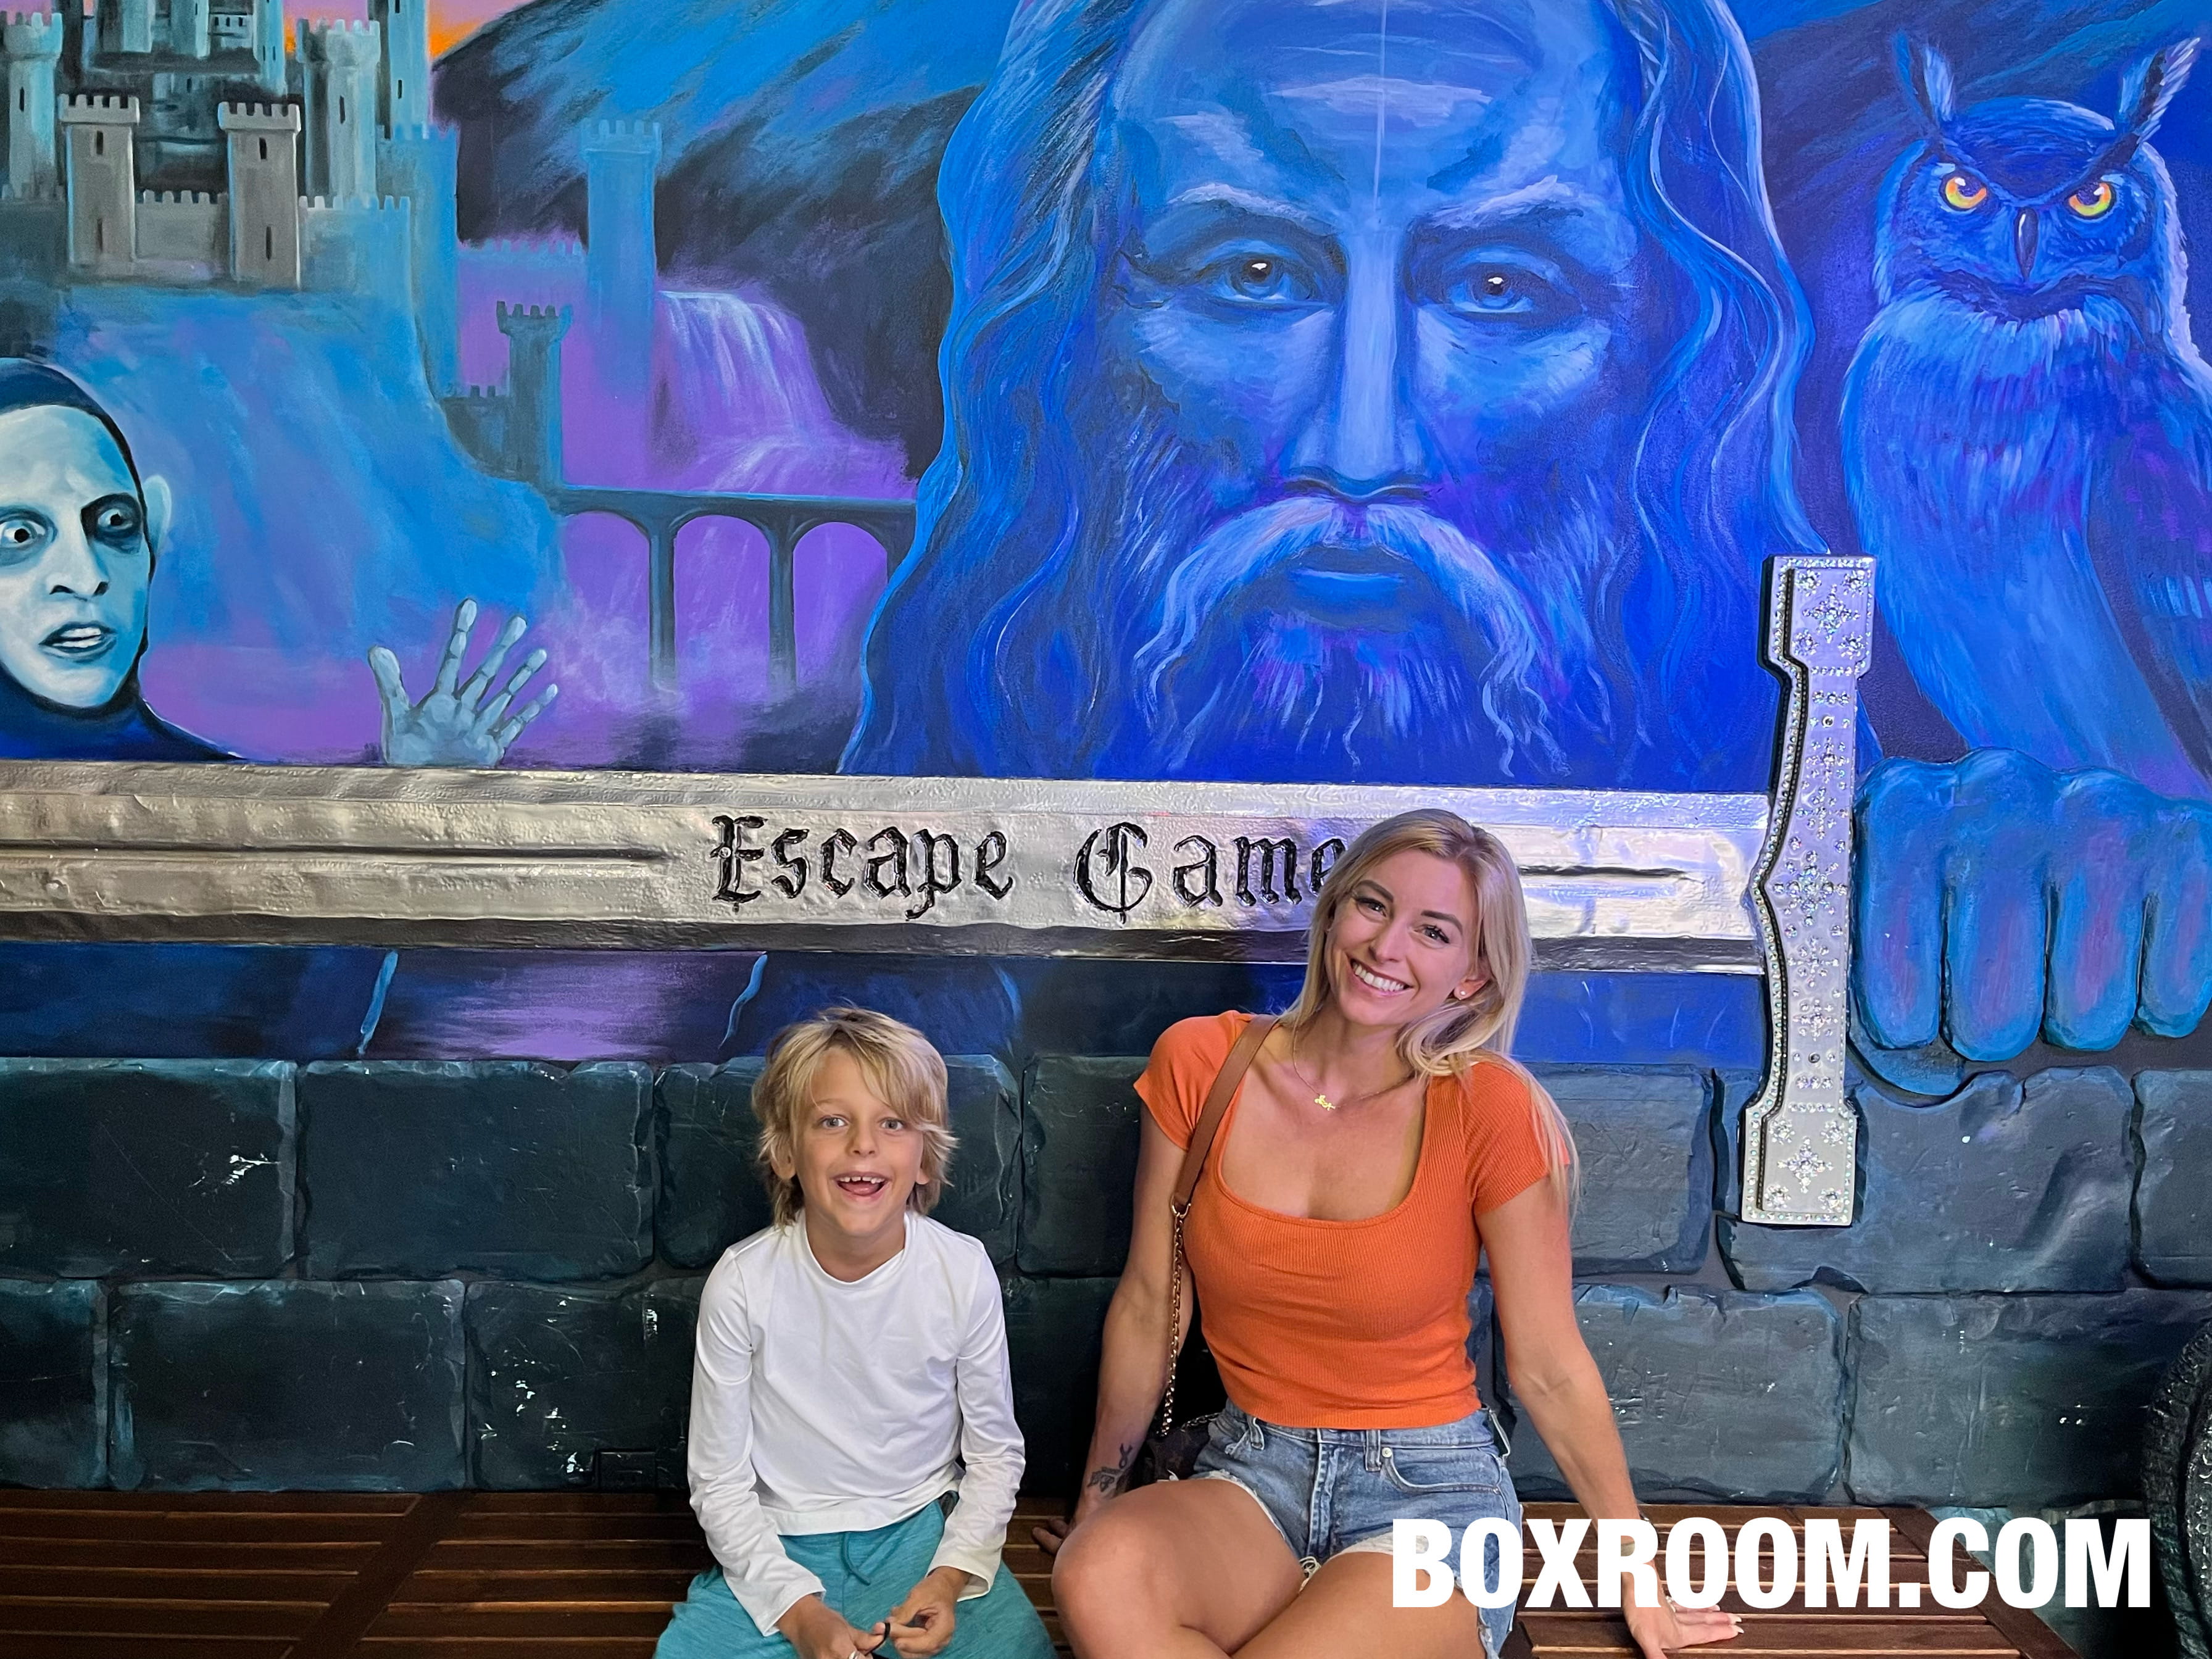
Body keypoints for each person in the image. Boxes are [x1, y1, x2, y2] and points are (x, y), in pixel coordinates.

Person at [1039, 810, 1742, 1659]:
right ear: (1334, 911)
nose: (1385, 946)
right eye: (1372, 905)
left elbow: (1550, 1366)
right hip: (1249, 1470)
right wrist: (1097, 1502)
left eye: (1432, 931)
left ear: (1472, 975)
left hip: (1431, 1497)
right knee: (1094, 1574)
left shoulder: (1491, 1109)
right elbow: (1153, 1303)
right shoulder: (1201, 1061)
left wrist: (1638, 1577)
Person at [657, 1007, 1055, 1659]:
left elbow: (994, 1456)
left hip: (922, 1538)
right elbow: (719, 1483)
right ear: (786, 1153)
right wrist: (798, 1614)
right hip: (777, 1542)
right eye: (832, 1121)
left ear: (924, 1157)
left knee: (1022, 1652)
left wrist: (948, 1578)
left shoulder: (961, 1270)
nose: (863, 1145)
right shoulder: (742, 1282)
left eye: (892, 1123)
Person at [0, 359, 556, 765]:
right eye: (19, 534)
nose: (87, 577)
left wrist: (421, 798)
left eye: (115, 523)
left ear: (154, 536)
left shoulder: (219, 793)